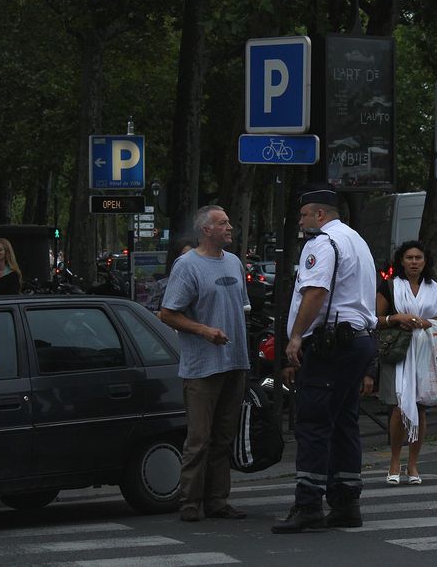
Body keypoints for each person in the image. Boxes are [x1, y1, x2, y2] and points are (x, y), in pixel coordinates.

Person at [272, 182, 377, 533]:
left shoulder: (323, 242)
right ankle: (347, 502)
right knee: (344, 421)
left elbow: (315, 293)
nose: (300, 222)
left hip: (333, 345)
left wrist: (296, 336)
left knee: (313, 422)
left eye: (304, 215)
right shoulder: (356, 241)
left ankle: (308, 505)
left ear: (320, 214)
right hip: (358, 342)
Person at [159, 206, 251, 523]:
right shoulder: (187, 266)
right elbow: (168, 313)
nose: (230, 227)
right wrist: (204, 330)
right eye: (222, 223)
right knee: (199, 439)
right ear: (206, 230)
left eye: (229, 221)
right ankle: (189, 502)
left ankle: (217, 501)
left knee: (224, 438)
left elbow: (241, 308)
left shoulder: (235, 263)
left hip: (235, 362)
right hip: (201, 368)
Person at [369, 240, 437, 486]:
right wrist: (396, 318)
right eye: (409, 258)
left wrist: (427, 323)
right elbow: (374, 320)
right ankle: (394, 462)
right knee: (398, 407)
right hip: (398, 353)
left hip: (423, 351)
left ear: (425, 262)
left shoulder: (434, 288)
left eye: (418, 258)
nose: (414, 262)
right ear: (401, 261)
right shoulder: (390, 286)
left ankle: (413, 463)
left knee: (421, 408)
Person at [146, 237, 195, 313]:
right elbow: (150, 313)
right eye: (184, 255)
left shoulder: (202, 283)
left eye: (191, 255)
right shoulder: (162, 285)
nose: (188, 259)